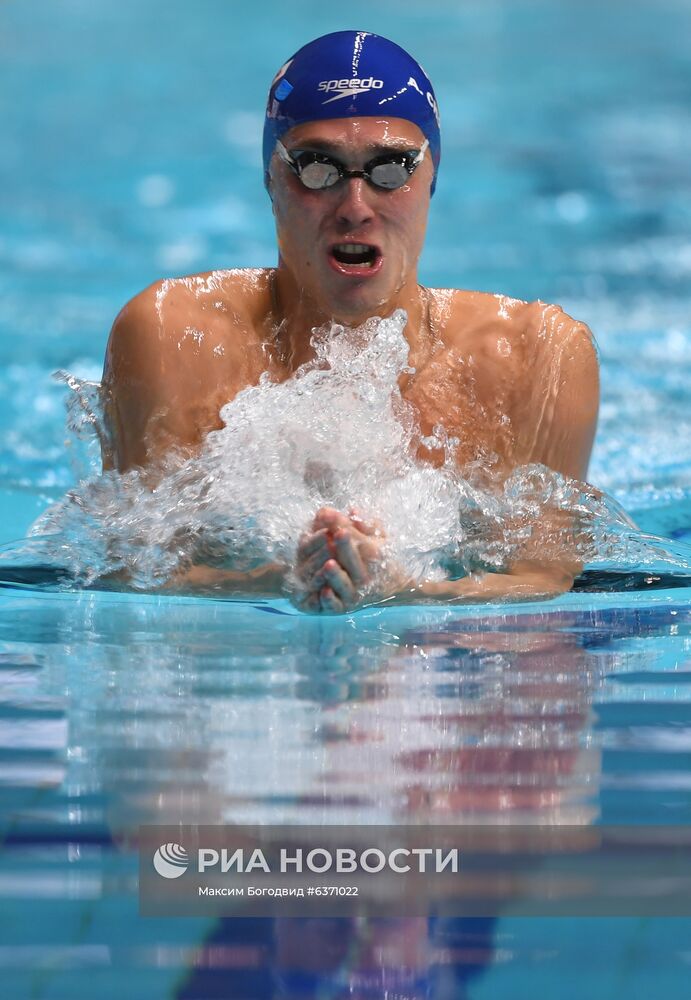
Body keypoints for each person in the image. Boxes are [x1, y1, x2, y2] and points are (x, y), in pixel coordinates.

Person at [101, 30, 599, 613]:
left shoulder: (536, 357)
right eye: (317, 168)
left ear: (431, 178)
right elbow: (133, 574)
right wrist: (280, 578)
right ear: (270, 179)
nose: (356, 206)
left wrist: (398, 588)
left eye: (391, 169)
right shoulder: (171, 336)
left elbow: (542, 588)